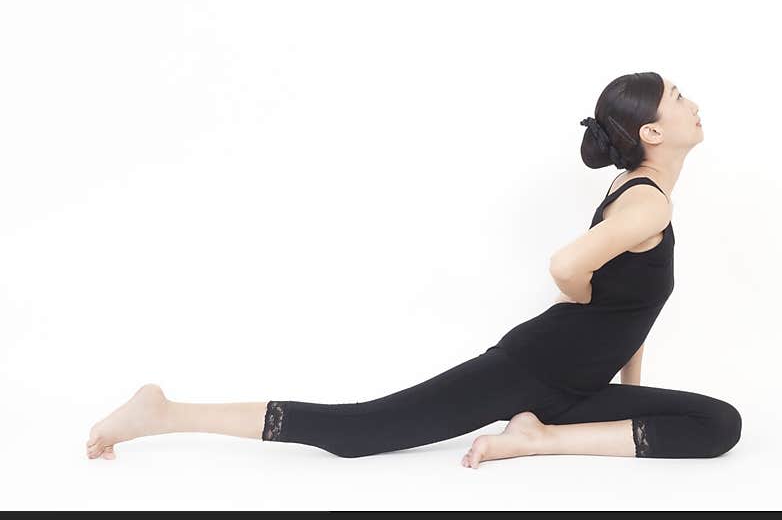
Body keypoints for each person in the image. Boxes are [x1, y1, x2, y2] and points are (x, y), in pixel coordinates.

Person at [86, 71, 741, 468]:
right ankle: (164, 412)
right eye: (679, 96)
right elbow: (567, 267)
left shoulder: (641, 193)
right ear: (652, 132)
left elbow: (630, 308)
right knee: (360, 432)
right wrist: (578, 297)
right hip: (535, 367)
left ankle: (536, 439)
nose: (692, 103)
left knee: (718, 424)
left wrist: (628, 379)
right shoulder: (646, 201)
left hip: (575, 387)